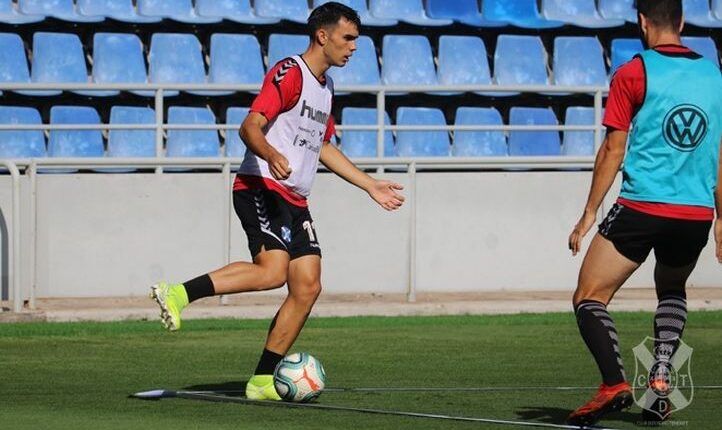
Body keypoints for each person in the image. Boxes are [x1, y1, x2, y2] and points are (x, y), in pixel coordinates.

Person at [149, 2, 405, 401]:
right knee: (271, 272)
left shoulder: (326, 87)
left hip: (295, 198)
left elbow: (322, 146)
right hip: (260, 185)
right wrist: (270, 154)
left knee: (307, 286)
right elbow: (250, 125)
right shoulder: (290, 73)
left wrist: (369, 185)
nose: (354, 47)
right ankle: (178, 293)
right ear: (323, 36)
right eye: (348, 38)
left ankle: (263, 381)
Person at [566, 0, 722, 425]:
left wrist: (589, 212)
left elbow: (614, 148)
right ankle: (659, 379)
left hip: (640, 207)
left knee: (590, 295)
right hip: (694, 212)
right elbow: (719, 150)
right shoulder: (714, 75)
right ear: (683, 21)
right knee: (671, 288)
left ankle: (614, 383)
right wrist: (721, 216)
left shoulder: (634, 71)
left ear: (641, 21)